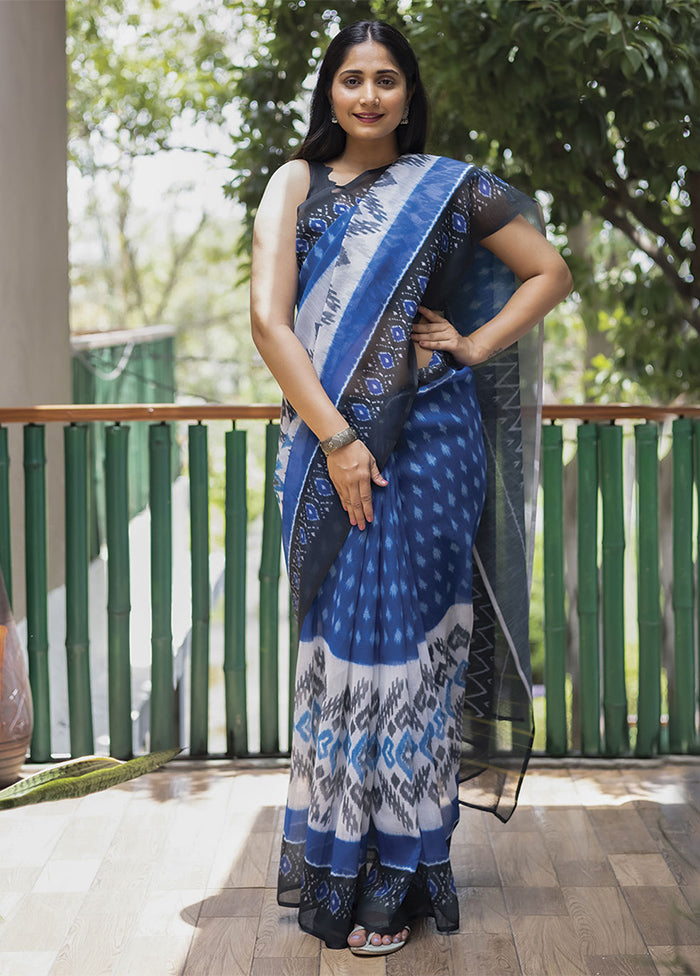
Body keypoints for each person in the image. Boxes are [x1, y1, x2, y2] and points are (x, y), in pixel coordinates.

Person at [250, 19, 571, 956]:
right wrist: (341, 439)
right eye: (351, 79)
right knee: (343, 654)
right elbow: (271, 327)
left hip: (432, 445)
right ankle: (339, 861)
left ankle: (398, 873)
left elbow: (549, 271)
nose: (369, 95)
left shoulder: (449, 186)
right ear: (329, 93)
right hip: (323, 450)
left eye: (386, 79)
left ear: (407, 92)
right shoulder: (294, 182)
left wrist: (469, 346)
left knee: (411, 662)